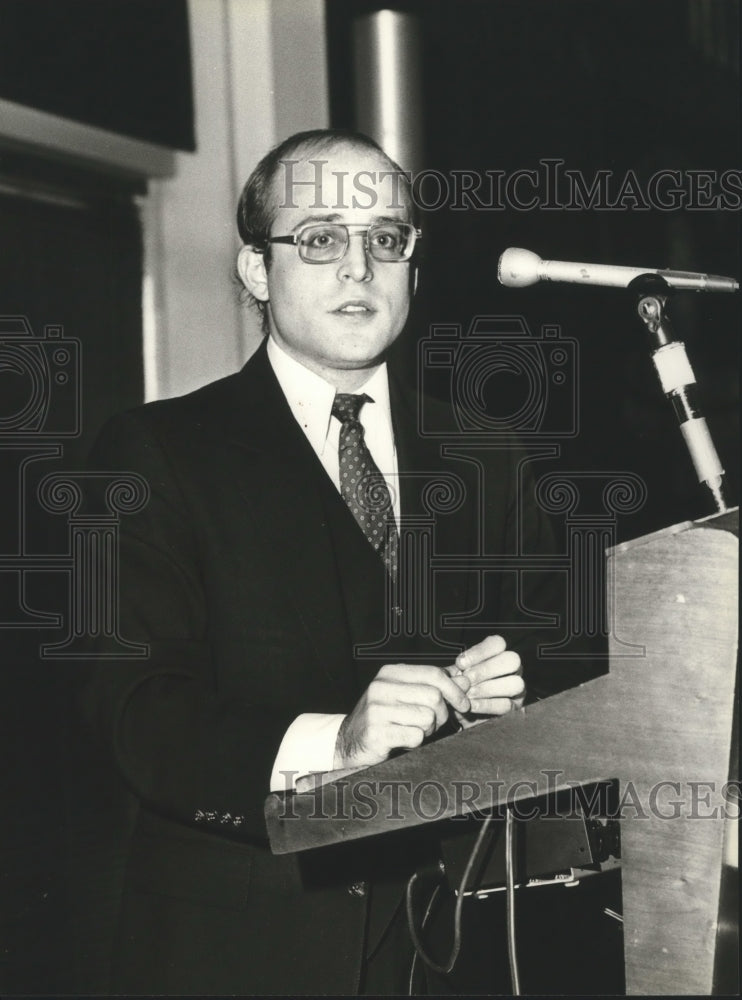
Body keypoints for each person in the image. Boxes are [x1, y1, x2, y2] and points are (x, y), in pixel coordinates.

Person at [81, 129, 597, 995]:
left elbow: (569, 662)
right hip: (244, 956)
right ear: (256, 271)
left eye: (385, 239)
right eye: (320, 237)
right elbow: (133, 711)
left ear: (414, 271)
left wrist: (516, 694)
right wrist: (338, 743)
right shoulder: (155, 453)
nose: (359, 267)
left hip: (458, 951)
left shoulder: (493, 456)